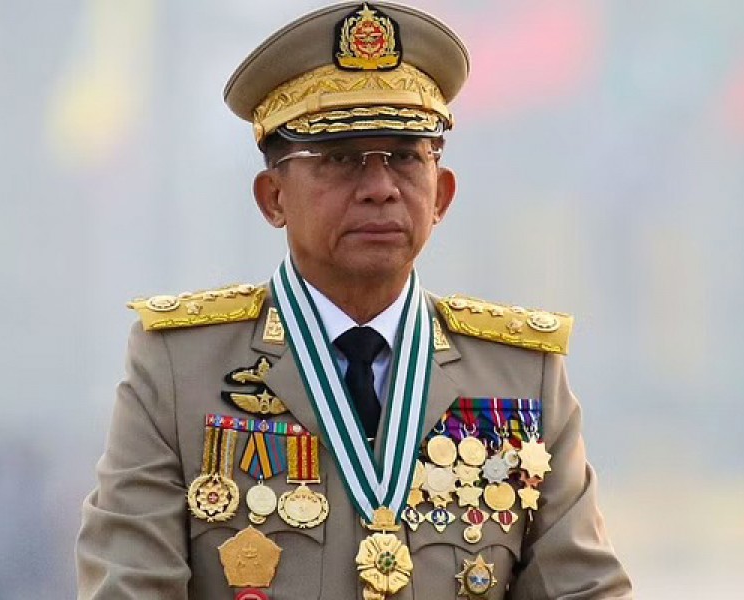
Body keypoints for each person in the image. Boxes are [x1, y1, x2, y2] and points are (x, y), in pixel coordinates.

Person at [76, 2, 633, 599]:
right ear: (272, 197)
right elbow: (130, 585)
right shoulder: (180, 369)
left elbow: (583, 588)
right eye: (340, 159)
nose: (379, 189)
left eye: (403, 156)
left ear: (441, 193)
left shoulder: (522, 374)